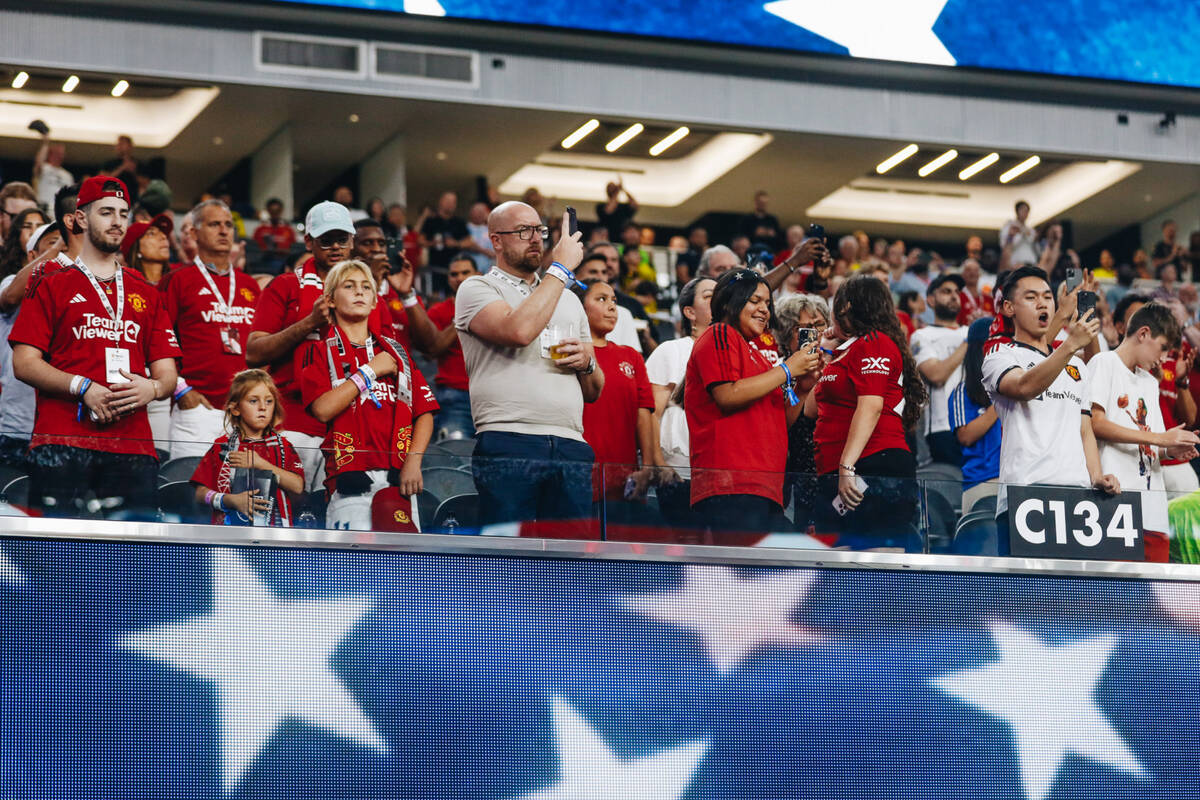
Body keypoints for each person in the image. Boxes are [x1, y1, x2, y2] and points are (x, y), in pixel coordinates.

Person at [9, 176, 180, 516]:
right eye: (106, 212)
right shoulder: (50, 284)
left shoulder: (146, 291)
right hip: (62, 441)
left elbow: (168, 374)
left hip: (134, 446)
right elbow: (24, 363)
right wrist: (82, 387)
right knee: (57, 561)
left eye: (123, 212)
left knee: (134, 563)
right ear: (81, 219)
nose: (117, 221)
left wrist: (154, 388)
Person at [454, 204, 601, 528]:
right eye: (523, 231)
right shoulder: (477, 288)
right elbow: (517, 331)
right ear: (496, 241)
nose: (535, 239)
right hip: (509, 438)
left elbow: (594, 390)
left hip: (570, 442)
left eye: (539, 231)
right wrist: (560, 269)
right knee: (508, 560)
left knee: (574, 562)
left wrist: (587, 364)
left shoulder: (568, 298)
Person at [247, 201, 394, 496]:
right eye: (326, 240)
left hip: (357, 429)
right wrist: (308, 324)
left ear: (352, 241)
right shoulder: (286, 286)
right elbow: (254, 352)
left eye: (342, 239)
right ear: (309, 242)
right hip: (296, 424)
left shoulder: (368, 293)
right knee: (290, 520)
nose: (336, 247)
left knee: (349, 525)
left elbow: (389, 358)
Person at [982, 265, 1120, 555]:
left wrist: (1096, 476)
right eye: (1031, 298)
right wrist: (1069, 344)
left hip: (1078, 497)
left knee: (1079, 598)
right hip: (1025, 493)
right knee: (1027, 599)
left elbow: (1085, 430)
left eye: (1047, 296)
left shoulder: (1077, 366)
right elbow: (1023, 387)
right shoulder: (1000, 354)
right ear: (1009, 307)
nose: (1042, 302)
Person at [302, 259, 437, 530]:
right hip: (350, 482)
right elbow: (323, 409)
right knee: (353, 567)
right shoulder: (318, 351)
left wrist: (413, 462)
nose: (359, 292)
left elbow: (424, 413)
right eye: (349, 286)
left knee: (405, 566)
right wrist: (370, 372)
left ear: (375, 301)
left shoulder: (396, 352)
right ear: (330, 299)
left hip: (399, 479)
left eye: (366, 287)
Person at [685, 268, 820, 534]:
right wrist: (787, 370)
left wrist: (803, 389)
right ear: (727, 302)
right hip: (732, 485)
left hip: (764, 487)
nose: (765, 310)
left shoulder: (756, 356)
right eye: (754, 301)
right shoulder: (720, 334)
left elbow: (780, 420)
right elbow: (727, 395)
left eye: (767, 303)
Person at [805, 274, 927, 548]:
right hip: (836, 472)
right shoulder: (843, 352)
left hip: (872, 464)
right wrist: (825, 353)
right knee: (838, 570)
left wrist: (847, 466)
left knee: (876, 564)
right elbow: (811, 410)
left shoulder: (875, 342)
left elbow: (871, 406)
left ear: (846, 306)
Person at [1088, 302, 1199, 562]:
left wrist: (1171, 448)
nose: (1163, 359)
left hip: (1153, 509)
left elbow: (1151, 445)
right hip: (1114, 503)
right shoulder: (1104, 362)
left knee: (1151, 598)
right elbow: (1095, 423)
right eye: (1162, 348)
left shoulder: (1150, 382)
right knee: (1115, 597)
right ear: (1144, 333)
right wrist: (1160, 438)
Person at [162, 200, 261, 460]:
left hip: (246, 412)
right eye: (214, 224)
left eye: (228, 225)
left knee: (241, 496)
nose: (224, 231)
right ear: (194, 233)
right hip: (197, 408)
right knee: (189, 492)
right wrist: (181, 390)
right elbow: (158, 340)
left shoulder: (250, 285)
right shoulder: (177, 281)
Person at [572, 279, 656, 502]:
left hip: (626, 478)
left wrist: (646, 468)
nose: (612, 307)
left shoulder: (631, 357)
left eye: (614, 300)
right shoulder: (568, 353)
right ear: (579, 308)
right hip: (578, 475)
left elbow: (644, 414)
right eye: (601, 299)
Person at [190, 369, 304, 526]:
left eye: (269, 401)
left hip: (274, 536)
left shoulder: (284, 446)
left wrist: (260, 464)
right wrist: (229, 500)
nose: (263, 407)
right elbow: (200, 494)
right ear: (236, 408)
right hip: (230, 536)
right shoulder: (222, 446)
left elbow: (297, 486)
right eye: (253, 401)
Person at [775, 293, 831, 531]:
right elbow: (779, 426)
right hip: (792, 479)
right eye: (805, 328)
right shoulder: (777, 373)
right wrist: (802, 384)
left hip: (831, 477)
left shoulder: (835, 367)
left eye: (819, 325)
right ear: (788, 335)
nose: (814, 333)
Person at [910, 273, 968, 466]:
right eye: (946, 291)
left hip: (974, 423)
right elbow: (936, 375)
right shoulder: (922, 336)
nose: (953, 296)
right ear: (930, 300)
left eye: (957, 292)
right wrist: (970, 341)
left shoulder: (969, 331)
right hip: (941, 426)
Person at [948, 317, 1002, 514]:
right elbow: (966, 436)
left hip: (1018, 480)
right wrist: (1000, 400)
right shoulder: (963, 392)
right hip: (982, 482)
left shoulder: (1019, 385)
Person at [420, 191, 468, 290]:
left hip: (455, 270)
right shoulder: (431, 221)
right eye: (447, 201)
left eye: (453, 202)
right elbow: (420, 240)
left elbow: (470, 241)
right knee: (435, 296)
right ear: (441, 202)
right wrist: (432, 243)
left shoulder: (459, 222)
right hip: (435, 267)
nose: (450, 204)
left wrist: (456, 243)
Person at [119, 212, 172, 286]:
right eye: (151, 233)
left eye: (162, 233)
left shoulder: (181, 279)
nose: (164, 236)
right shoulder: (125, 286)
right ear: (136, 248)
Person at [32, 131, 73, 217]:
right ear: (50, 154)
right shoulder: (44, 168)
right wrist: (45, 143)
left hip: (59, 211)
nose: (60, 156)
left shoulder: (67, 175)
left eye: (61, 154)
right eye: (57, 153)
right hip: (43, 208)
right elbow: (38, 163)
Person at [252, 198, 296, 273]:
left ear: (281, 211)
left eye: (277, 211)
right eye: (272, 211)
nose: (275, 213)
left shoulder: (288, 229)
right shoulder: (260, 229)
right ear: (268, 210)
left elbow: (293, 248)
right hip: (264, 261)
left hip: (284, 260)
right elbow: (254, 249)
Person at [99, 135, 141, 204]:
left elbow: (145, 184)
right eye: (118, 144)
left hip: (132, 200)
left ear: (130, 146)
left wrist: (133, 172)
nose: (119, 147)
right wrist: (122, 168)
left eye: (122, 144)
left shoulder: (137, 163)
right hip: (112, 199)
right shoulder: (109, 163)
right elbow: (101, 180)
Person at [1000, 200, 1038, 267]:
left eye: (1027, 211)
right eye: (1023, 210)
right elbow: (1004, 245)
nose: (1025, 213)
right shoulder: (1009, 226)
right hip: (1016, 263)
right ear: (1017, 211)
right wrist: (1012, 234)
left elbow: (1035, 246)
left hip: (1031, 262)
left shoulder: (1031, 230)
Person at [463, 201, 495, 272]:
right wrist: (485, 251)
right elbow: (468, 245)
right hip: (469, 270)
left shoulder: (491, 229)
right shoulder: (465, 228)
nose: (480, 214)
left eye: (482, 212)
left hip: (488, 270)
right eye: (477, 212)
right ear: (471, 213)